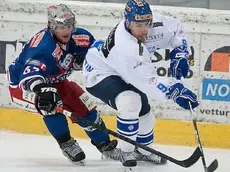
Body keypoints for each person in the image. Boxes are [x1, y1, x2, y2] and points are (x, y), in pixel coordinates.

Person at [82, 0, 199, 169]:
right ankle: (126, 151)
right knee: (130, 101)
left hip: (124, 69)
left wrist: (180, 52)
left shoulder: (153, 23)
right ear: (128, 22)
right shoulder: (125, 46)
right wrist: (174, 91)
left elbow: (176, 29)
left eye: (147, 23)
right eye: (139, 24)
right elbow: (147, 81)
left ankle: (143, 151)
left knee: (145, 114)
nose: (145, 29)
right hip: (100, 71)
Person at [6, 4, 117, 165]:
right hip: (24, 85)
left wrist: (87, 60)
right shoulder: (43, 46)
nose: (66, 31)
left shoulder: (81, 38)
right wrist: (42, 91)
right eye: (60, 27)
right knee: (49, 103)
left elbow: (98, 55)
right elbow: (30, 75)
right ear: (51, 26)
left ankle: (106, 146)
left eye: (69, 26)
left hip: (57, 81)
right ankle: (66, 142)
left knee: (85, 107)